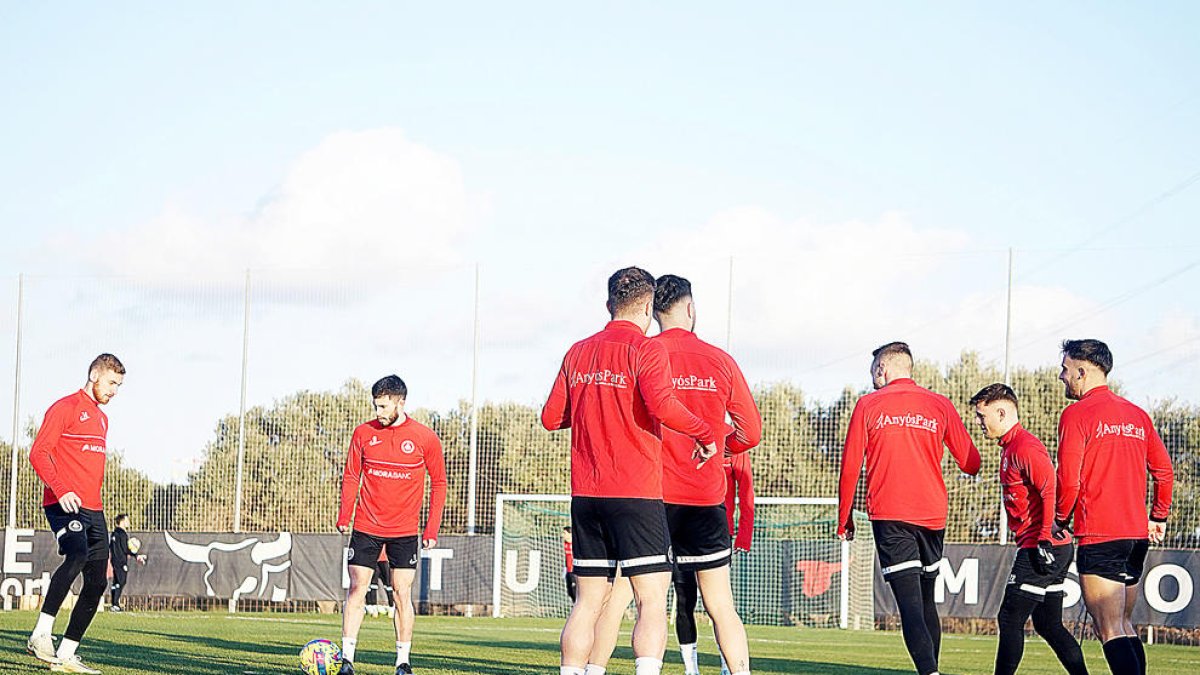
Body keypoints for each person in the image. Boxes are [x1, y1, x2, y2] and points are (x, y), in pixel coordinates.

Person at [542, 266, 717, 675]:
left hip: (587, 496)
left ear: (609, 304)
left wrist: (593, 407)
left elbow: (551, 417)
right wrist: (704, 431)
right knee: (651, 600)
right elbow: (662, 405)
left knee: (587, 603)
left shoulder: (577, 352)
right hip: (636, 494)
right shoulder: (646, 349)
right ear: (648, 306)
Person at [838, 342, 980, 675]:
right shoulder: (939, 404)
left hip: (890, 515)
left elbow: (850, 465)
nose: (873, 379)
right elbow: (971, 462)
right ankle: (932, 669)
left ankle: (930, 673)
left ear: (882, 369)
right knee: (927, 601)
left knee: (911, 606)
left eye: (873, 372)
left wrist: (844, 518)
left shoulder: (868, 404)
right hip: (932, 515)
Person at [652, 274, 761, 675]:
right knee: (721, 606)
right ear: (691, 308)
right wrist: (718, 449)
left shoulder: (644, 354)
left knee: (647, 603)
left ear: (653, 311)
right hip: (705, 498)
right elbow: (751, 432)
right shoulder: (720, 360)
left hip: (653, 499)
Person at [1054, 339, 1174, 675]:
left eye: (1065, 369)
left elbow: (1069, 479)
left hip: (1101, 534)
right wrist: (1159, 516)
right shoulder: (1137, 415)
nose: (1062, 376)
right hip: (1136, 537)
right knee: (1123, 623)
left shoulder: (1076, 414)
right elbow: (1164, 471)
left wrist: (1060, 518)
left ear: (1082, 371)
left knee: (1108, 628)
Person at [969, 384, 1088, 675]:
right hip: (1050, 545)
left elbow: (1050, 489)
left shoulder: (1025, 447)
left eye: (982, 416)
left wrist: (1044, 537)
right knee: (1048, 624)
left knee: (1009, 618)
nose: (978, 422)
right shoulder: (1010, 448)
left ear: (1001, 413)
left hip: (1042, 545)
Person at [336, 375, 447, 675]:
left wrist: (431, 529)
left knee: (400, 594)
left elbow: (439, 483)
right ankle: (347, 660)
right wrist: (345, 515)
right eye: (376, 406)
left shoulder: (425, 438)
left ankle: (403, 663)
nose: (378, 412)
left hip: (404, 531)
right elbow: (351, 476)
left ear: (401, 403)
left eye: (384, 406)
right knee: (357, 588)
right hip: (366, 526)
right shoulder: (363, 433)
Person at [26, 353, 126, 674]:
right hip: (63, 502)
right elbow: (38, 453)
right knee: (77, 555)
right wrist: (61, 489)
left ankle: (67, 654)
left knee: (97, 583)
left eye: (118, 385)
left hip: (94, 510)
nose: (114, 391)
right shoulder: (65, 407)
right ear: (94, 375)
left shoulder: (102, 419)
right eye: (111, 383)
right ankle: (40, 634)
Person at [108, 513, 146, 612]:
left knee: (116, 582)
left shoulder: (114, 533)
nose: (128, 522)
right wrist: (136, 555)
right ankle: (115, 604)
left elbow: (111, 547)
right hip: (120, 561)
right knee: (121, 581)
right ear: (122, 521)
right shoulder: (122, 534)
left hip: (115, 561)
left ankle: (114, 604)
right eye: (127, 520)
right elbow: (125, 549)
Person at [365, 548, 395, 618]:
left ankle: (391, 607)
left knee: (388, 584)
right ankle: (373, 607)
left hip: (385, 560)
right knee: (373, 584)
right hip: (374, 559)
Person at [563, 527, 577, 604]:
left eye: (565, 533)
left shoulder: (575, 545)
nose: (563, 535)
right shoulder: (565, 544)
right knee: (569, 591)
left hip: (575, 571)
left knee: (575, 590)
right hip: (568, 571)